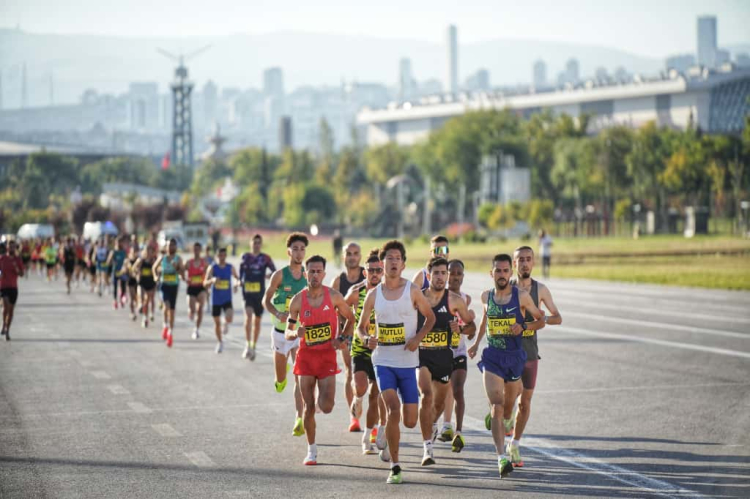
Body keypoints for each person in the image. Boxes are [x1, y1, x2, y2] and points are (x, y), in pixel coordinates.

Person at [356, 240, 436, 485]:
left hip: (407, 362)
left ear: (403, 264)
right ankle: (395, 466)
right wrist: (366, 338)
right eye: (389, 258)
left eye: (397, 258)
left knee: (410, 420)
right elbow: (360, 327)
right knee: (392, 408)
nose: (393, 262)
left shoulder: (413, 290)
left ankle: (391, 432)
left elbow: (430, 318)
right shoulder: (373, 295)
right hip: (383, 360)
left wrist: (417, 338)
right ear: (382, 264)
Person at [468, 254, 545, 478]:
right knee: (497, 407)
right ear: (491, 273)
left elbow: (541, 320)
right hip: (492, 357)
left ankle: (503, 422)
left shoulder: (521, 296)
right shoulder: (486, 296)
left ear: (510, 273)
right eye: (497, 271)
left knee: (508, 409)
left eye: (505, 271)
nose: (501, 275)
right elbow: (485, 319)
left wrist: (524, 327)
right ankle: (501, 457)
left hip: (514, 358)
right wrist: (476, 344)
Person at [286, 255, 356, 465]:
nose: (315, 275)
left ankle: (319, 403)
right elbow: (288, 331)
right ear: (305, 274)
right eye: (311, 271)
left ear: (324, 274)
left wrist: (342, 339)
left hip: (326, 357)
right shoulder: (297, 300)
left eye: (318, 271)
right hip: (306, 358)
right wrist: (295, 333)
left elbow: (351, 318)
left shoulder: (333, 297)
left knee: (326, 406)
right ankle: (311, 450)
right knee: (307, 407)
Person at [506, 246, 563, 467]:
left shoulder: (541, 290)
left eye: (528, 259)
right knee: (513, 392)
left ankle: (515, 444)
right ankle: (503, 418)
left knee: (525, 403)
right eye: (520, 260)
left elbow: (558, 317)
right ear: (514, 264)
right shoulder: (506, 288)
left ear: (533, 263)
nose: (524, 263)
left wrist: (540, 320)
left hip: (530, 352)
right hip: (508, 352)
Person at [416, 257, 475, 466]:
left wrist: (461, 328)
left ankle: (432, 424)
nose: (440, 277)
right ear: (428, 275)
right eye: (436, 273)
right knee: (426, 396)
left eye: (443, 273)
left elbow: (472, 327)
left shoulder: (455, 300)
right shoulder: (418, 297)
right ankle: (427, 449)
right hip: (422, 355)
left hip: (444, 357)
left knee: (439, 403)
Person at [264, 232, 307, 436]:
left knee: (300, 377)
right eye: (295, 249)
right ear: (289, 251)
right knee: (281, 380)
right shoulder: (279, 275)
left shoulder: (308, 276)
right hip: (281, 333)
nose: (299, 253)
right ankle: (280, 378)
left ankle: (299, 418)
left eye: (302, 249)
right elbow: (266, 301)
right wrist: (277, 313)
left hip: (298, 334)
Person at [344, 249, 387, 454]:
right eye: (371, 270)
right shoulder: (356, 291)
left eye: (378, 270)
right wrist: (345, 330)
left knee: (376, 395)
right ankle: (357, 398)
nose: (375, 274)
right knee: (361, 387)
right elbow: (341, 309)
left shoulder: (388, 292)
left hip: (381, 350)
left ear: (383, 271)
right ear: (365, 272)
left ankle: (368, 435)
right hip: (360, 347)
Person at [437, 259, 476, 453]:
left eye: (459, 274)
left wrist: (464, 330)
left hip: (458, 351)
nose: (455, 277)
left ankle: (458, 432)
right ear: (445, 275)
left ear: (463, 276)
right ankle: (437, 426)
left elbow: (471, 330)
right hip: (439, 353)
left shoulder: (466, 299)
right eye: (451, 273)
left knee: (458, 389)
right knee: (439, 394)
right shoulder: (437, 297)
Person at [330, 241, 364, 432]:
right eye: (348, 254)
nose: (352, 257)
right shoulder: (338, 281)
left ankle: (375, 420)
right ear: (343, 257)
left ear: (360, 256)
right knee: (350, 371)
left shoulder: (368, 277)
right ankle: (354, 418)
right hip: (347, 334)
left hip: (368, 333)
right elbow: (332, 311)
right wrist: (339, 334)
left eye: (355, 253)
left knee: (371, 377)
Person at [239, 234, 276, 360]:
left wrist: (269, 276)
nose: (256, 245)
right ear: (251, 243)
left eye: (259, 243)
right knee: (248, 317)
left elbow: (275, 272)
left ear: (261, 244)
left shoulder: (265, 258)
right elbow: (241, 272)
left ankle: (253, 346)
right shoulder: (245, 257)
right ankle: (247, 344)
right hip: (247, 293)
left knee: (257, 321)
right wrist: (239, 281)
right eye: (254, 242)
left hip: (260, 294)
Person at [204, 247, 240, 353]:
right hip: (215, 300)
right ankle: (220, 342)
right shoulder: (212, 268)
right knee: (217, 323)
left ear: (226, 256)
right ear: (216, 256)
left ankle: (225, 322)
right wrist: (212, 280)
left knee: (229, 317)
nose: (222, 258)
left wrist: (236, 285)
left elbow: (237, 278)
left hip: (227, 298)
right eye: (220, 255)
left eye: (224, 255)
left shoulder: (230, 267)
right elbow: (204, 283)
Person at [153, 238, 185, 348]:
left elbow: (182, 273)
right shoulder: (162, 258)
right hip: (164, 286)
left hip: (174, 286)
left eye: (173, 245)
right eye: (169, 245)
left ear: (176, 247)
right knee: (166, 305)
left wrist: (177, 268)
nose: (171, 247)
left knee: (172, 311)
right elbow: (154, 268)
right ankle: (165, 325)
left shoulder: (178, 259)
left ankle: (170, 332)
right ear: (166, 247)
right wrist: (155, 276)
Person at [1, 240, 25, 340]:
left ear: (15, 248)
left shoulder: (18, 260)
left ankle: (7, 330)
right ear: (7, 247)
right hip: (3, 286)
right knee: (5, 306)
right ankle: (3, 323)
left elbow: (22, 274)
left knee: (10, 311)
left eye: (13, 247)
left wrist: (17, 269)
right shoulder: (2, 258)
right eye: (10, 246)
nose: (11, 248)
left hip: (13, 287)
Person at [185, 242, 209, 339]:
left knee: (200, 309)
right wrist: (184, 278)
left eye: (198, 249)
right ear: (192, 250)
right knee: (193, 310)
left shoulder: (204, 263)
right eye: (195, 249)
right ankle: (190, 311)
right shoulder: (188, 262)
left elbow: (209, 273)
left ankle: (196, 329)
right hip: (191, 288)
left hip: (201, 288)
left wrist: (208, 282)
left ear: (200, 250)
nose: (196, 251)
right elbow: (181, 270)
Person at [133, 245, 157, 328]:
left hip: (150, 282)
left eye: (150, 251)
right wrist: (137, 272)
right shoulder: (141, 260)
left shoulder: (154, 261)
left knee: (147, 301)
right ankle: (140, 306)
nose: (149, 253)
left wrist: (156, 274)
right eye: (147, 251)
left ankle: (145, 317)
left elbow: (158, 269)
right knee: (141, 297)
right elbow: (134, 268)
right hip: (142, 282)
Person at [106, 236, 128, 310]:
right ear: (115, 243)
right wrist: (111, 260)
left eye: (120, 242)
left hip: (122, 272)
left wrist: (125, 266)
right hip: (115, 271)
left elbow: (127, 260)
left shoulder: (123, 252)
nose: (119, 244)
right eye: (117, 242)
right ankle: (115, 301)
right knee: (115, 287)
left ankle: (122, 299)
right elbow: (108, 262)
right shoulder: (113, 252)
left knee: (123, 286)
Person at [124, 245, 140, 320]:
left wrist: (137, 272)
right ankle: (132, 312)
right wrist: (127, 269)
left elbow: (139, 270)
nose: (134, 253)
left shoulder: (138, 260)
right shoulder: (127, 261)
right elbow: (124, 270)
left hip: (138, 281)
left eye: (135, 252)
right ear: (130, 252)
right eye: (133, 252)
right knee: (131, 297)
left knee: (136, 297)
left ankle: (136, 308)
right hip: (130, 280)